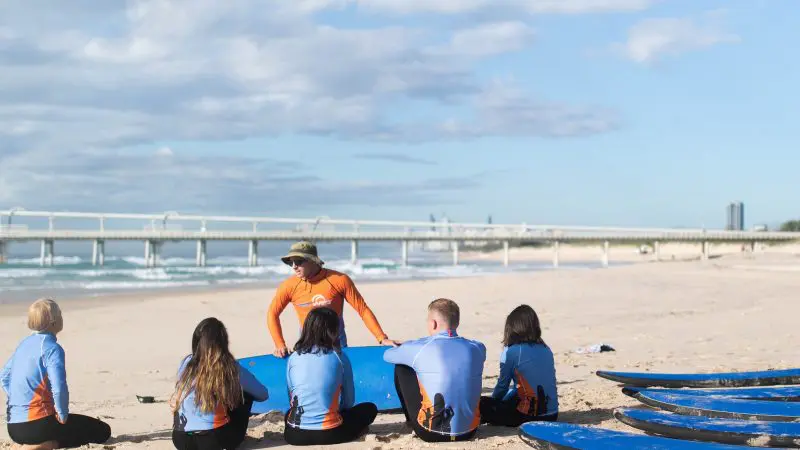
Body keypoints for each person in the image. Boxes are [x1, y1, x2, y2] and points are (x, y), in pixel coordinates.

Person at [1, 298, 111, 449]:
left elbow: (4, 377)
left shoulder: (23, 345)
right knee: (102, 431)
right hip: (39, 426)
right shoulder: (52, 348)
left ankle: (24, 444)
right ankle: (43, 445)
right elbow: (58, 386)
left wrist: (21, 398)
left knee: (70, 427)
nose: (62, 317)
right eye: (60, 313)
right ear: (53, 322)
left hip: (13, 427)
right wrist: (62, 413)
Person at [267, 241, 399, 357]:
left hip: (337, 344)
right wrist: (280, 344)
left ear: (313, 260)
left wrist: (382, 338)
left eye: (299, 261)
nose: (294, 266)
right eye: (291, 262)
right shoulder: (289, 286)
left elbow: (362, 309)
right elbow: (272, 313)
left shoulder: (338, 280)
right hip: (307, 345)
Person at [383, 298, 485, 442]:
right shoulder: (478, 348)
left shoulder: (420, 349)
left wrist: (410, 345)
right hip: (469, 431)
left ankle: (411, 421)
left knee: (402, 367)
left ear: (433, 323)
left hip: (430, 432)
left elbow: (387, 355)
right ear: (457, 323)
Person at [284, 307, 378, 446]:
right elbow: (349, 401)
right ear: (333, 331)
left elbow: (291, 396)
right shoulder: (339, 357)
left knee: (289, 413)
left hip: (294, 435)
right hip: (330, 433)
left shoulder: (294, 357)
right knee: (369, 408)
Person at [171, 317, 269, 450]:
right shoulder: (228, 366)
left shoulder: (186, 363)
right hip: (214, 440)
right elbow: (262, 394)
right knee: (245, 395)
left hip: (180, 440)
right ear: (223, 342)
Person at [480, 304, 558, 427]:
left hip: (527, 416)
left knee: (482, 403)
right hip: (552, 414)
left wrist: (493, 403)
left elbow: (502, 386)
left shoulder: (511, 352)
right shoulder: (546, 349)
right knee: (515, 394)